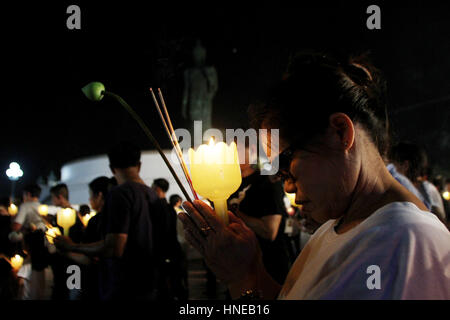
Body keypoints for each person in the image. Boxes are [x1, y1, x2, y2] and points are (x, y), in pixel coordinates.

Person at [178, 52, 450, 299]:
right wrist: (251, 267)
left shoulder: (404, 242)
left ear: (340, 133)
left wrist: (241, 280)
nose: (287, 186)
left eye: (286, 163)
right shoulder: (339, 227)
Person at [55, 141, 166, 300]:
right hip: (149, 283)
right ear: (139, 165)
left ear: (112, 168)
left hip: (123, 287)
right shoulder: (153, 195)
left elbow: (114, 247)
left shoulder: (119, 195)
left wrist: (71, 246)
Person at [228, 141, 290, 284]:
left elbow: (269, 232)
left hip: (269, 268)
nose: (231, 155)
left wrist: (235, 214)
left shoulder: (267, 181)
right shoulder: (231, 185)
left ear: (253, 150)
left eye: (236, 150)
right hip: (241, 268)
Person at [389, 142, 446, 222]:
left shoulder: (427, 189)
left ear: (405, 165)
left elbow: (440, 220)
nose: (388, 170)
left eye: (393, 164)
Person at [152, 178, 188, 300]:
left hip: (162, 252)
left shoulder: (155, 207)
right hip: (174, 249)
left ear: (156, 188)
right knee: (176, 282)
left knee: (165, 285)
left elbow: (159, 232)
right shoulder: (169, 209)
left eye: (152, 187)